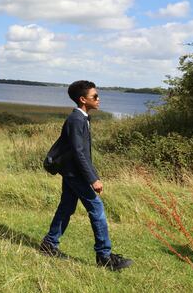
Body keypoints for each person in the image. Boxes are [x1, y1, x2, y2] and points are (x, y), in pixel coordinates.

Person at [39, 80, 133, 271]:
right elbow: (78, 152)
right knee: (97, 209)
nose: (99, 99)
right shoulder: (76, 120)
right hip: (76, 174)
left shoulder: (81, 118)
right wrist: (93, 179)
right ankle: (104, 256)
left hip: (73, 173)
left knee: (66, 208)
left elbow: (81, 152)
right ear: (83, 99)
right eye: (95, 96)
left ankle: (49, 244)